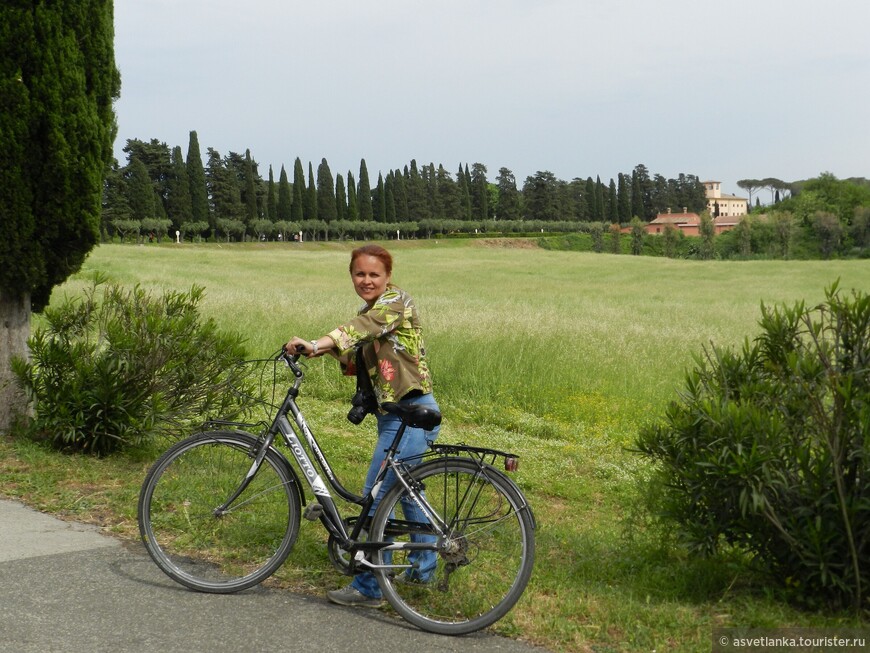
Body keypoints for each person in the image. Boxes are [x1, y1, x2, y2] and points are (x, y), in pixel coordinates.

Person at [285, 243, 440, 608]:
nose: (366, 280)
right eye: (360, 274)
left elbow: (360, 329)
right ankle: (424, 567)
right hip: (394, 416)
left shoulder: (397, 303)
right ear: (351, 276)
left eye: (374, 274)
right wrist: (313, 349)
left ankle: (369, 586)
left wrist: (322, 341)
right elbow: (355, 356)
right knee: (404, 493)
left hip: (412, 410)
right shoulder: (369, 310)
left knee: (377, 493)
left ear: (388, 277)